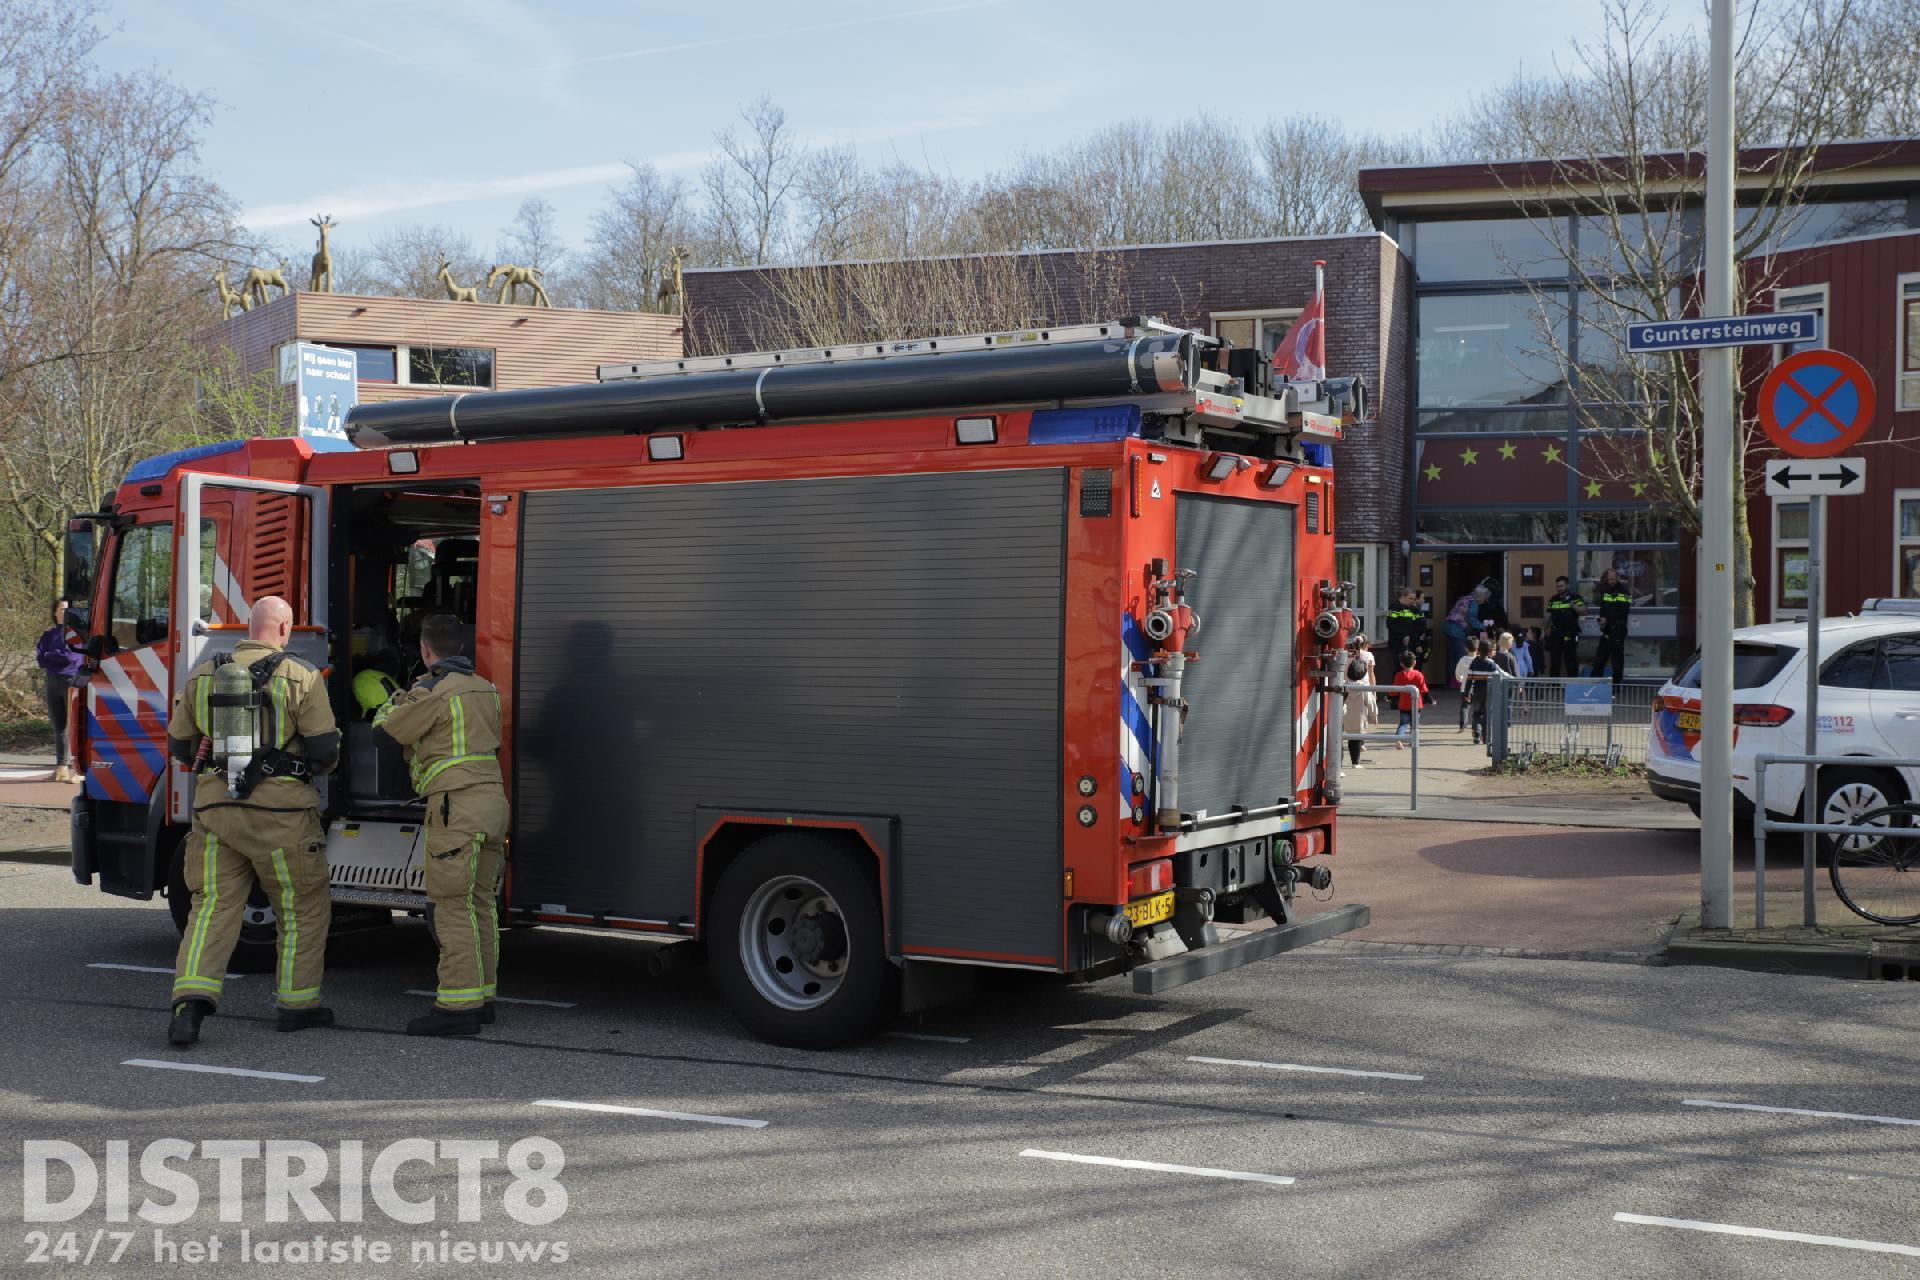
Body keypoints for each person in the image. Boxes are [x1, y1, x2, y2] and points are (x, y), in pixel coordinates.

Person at [165, 596, 339, 1046]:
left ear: (247, 627)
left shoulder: (204, 675)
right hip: (281, 817)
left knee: (212, 908)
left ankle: (189, 1006)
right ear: (284, 630)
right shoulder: (300, 676)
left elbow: (180, 746)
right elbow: (324, 751)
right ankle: (298, 1006)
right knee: (301, 909)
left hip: (216, 811)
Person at [373, 614, 509, 1037]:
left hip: (456, 808)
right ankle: (483, 997)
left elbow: (384, 733)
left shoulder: (431, 690)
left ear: (426, 651)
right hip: (493, 805)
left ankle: (457, 1007)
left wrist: (392, 700)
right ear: (463, 649)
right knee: (481, 904)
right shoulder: (487, 689)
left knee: (451, 905)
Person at [35, 598, 82, 783]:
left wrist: (50, 655)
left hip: (71, 681)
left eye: (68, 610)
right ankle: (61, 767)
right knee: (59, 726)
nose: (65, 612)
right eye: (61, 609)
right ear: (55, 612)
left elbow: (70, 658)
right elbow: (40, 658)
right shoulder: (48, 635)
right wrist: (52, 656)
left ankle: (78, 771)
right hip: (53, 681)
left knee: (75, 726)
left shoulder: (77, 634)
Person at [1590, 567, 1631, 684]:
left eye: (1612, 579)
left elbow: (1622, 612)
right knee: (1600, 658)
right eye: (1609, 580)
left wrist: (1606, 619)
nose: (1611, 582)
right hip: (1607, 630)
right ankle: (1594, 685)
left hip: (1618, 629)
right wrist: (1602, 618)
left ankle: (1616, 686)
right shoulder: (1607, 591)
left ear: (1617, 578)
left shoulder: (1624, 591)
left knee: (1617, 660)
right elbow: (1604, 608)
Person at [1342, 633, 1377, 767]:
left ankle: (1359, 744)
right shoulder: (1368, 656)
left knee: (1347, 722)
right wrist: (1374, 690)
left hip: (1347, 688)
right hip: (1363, 688)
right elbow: (1371, 674)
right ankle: (1359, 747)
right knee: (1361, 720)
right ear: (1366, 645)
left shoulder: (1346, 654)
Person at [1443, 585, 1489, 687]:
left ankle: (1453, 681)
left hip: (1448, 627)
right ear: (1480, 597)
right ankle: (1460, 682)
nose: (1484, 602)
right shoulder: (1474, 603)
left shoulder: (1465, 598)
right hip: (1457, 630)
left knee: (1452, 656)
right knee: (1461, 656)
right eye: (1485, 599)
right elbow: (1471, 618)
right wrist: (1482, 626)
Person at [1467, 639, 1506, 745]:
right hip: (1489, 694)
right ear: (1490, 652)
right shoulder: (1491, 664)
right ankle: (1486, 737)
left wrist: (1467, 693)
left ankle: (1477, 734)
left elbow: (1469, 679)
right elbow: (1497, 679)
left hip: (1476, 693)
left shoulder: (1474, 662)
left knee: (1476, 714)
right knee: (1487, 714)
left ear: (1478, 650)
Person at [1545, 575, 1585, 677]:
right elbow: (1548, 616)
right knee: (1554, 660)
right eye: (1557, 586)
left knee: (1570, 660)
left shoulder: (1575, 597)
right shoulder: (1554, 599)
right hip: (1556, 633)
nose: (1559, 588)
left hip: (1570, 632)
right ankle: (1555, 687)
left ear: (1567, 585)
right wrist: (1543, 630)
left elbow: (1584, 611)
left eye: (1561, 586)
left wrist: (1573, 605)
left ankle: (1573, 685)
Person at [1384, 589, 1428, 672]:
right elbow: (1390, 625)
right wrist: (1404, 634)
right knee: (1399, 668)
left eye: (1413, 599)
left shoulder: (1410, 608)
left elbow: (1414, 625)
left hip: (1409, 644)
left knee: (1409, 669)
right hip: (1397, 643)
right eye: (1410, 599)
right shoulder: (1394, 607)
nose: (1412, 601)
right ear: (1403, 597)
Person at [1390, 648, 1429, 740]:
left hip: (1403, 704)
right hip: (1416, 704)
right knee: (1414, 726)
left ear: (1401, 664)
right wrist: (1429, 699)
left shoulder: (1399, 675)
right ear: (1414, 662)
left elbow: (1394, 690)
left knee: (1403, 723)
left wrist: (1390, 696)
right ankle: (1413, 741)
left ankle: (1398, 738)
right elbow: (1423, 689)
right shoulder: (1418, 674)